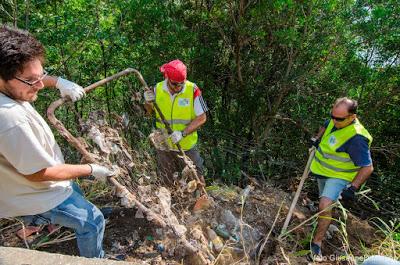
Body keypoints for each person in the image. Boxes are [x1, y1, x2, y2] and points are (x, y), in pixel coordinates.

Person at [0, 25, 114, 258]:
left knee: (76, 191)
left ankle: (73, 213)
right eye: (32, 81)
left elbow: (32, 76)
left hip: (45, 179)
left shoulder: (12, 88)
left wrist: (60, 81)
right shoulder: (9, 118)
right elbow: (37, 173)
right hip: (34, 194)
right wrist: (90, 169)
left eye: (41, 75)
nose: (40, 85)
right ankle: (96, 261)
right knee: (93, 223)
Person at [308, 97, 374, 260]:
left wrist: (353, 188)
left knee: (324, 205)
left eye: (339, 119)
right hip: (322, 170)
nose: (334, 120)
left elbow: (368, 167)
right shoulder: (335, 119)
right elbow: (326, 124)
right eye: (333, 116)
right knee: (325, 204)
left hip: (340, 176)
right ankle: (328, 222)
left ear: (353, 117)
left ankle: (316, 244)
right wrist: (317, 138)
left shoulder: (357, 138)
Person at [144, 59, 208, 184]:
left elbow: (202, 118)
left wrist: (182, 133)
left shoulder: (192, 90)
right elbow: (148, 113)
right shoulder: (157, 89)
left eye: (181, 84)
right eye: (174, 84)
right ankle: (172, 201)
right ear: (166, 77)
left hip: (186, 144)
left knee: (196, 178)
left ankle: (201, 201)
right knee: (166, 179)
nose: (178, 87)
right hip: (163, 144)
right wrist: (148, 103)